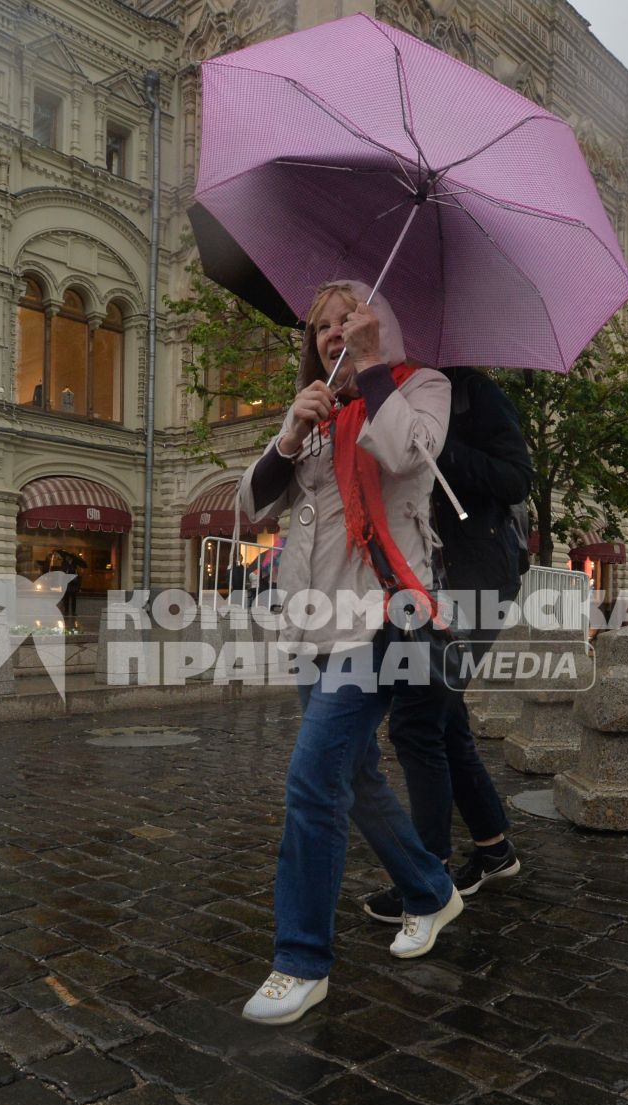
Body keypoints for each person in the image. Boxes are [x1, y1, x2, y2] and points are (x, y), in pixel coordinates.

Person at [235, 280, 462, 1026]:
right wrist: (290, 436)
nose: (334, 332)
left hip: (382, 622)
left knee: (313, 782)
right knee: (358, 778)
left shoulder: (419, 387)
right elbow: (252, 508)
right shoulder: (313, 407)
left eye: (349, 320)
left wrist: (370, 368)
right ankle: (430, 890)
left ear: (381, 325)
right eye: (323, 326)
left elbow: (408, 454)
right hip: (311, 624)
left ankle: (300, 960)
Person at [367, 367, 531, 923]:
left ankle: (427, 878)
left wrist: (440, 445)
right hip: (420, 578)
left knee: (417, 719)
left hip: (477, 578)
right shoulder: (398, 392)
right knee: (444, 718)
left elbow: (516, 479)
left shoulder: (475, 394)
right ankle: (493, 848)